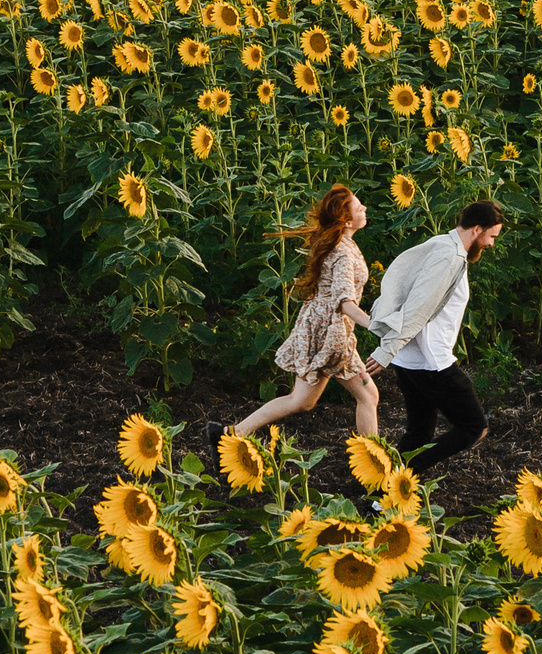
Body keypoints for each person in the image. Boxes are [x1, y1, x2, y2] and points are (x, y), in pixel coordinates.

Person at [213, 185, 379, 454]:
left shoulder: (341, 243)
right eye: (359, 207)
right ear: (347, 221)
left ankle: (229, 434)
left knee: (302, 400)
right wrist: (375, 325)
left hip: (323, 329)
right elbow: (345, 302)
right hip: (330, 333)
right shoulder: (343, 253)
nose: (365, 209)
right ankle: (374, 462)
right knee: (367, 395)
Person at [364, 199, 504, 469]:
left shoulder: (441, 243)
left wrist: (391, 347)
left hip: (408, 359)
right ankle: (401, 478)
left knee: (419, 433)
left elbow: (399, 279)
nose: (491, 244)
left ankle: (384, 496)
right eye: (491, 236)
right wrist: (386, 349)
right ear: (477, 229)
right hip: (431, 361)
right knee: (474, 427)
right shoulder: (448, 257)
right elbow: (418, 307)